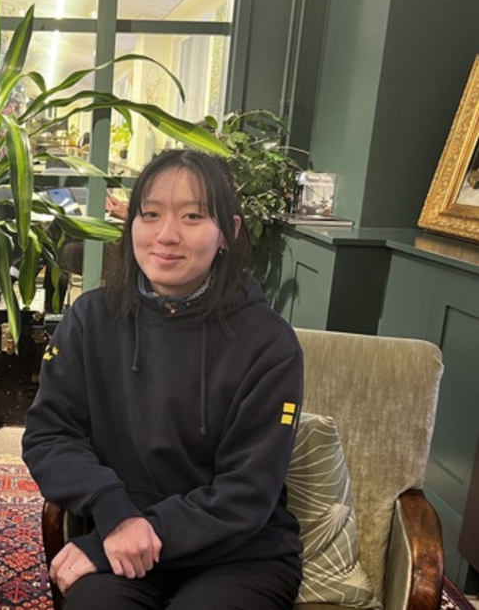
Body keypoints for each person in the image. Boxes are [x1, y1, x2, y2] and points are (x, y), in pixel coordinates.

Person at [23, 149, 304, 610]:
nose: (166, 235)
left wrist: (131, 535)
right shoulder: (91, 319)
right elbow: (50, 434)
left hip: (241, 554)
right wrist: (113, 513)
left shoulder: (269, 344)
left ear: (229, 232)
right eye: (150, 214)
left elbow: (247, 493)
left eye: (193, 216)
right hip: (124, 537)